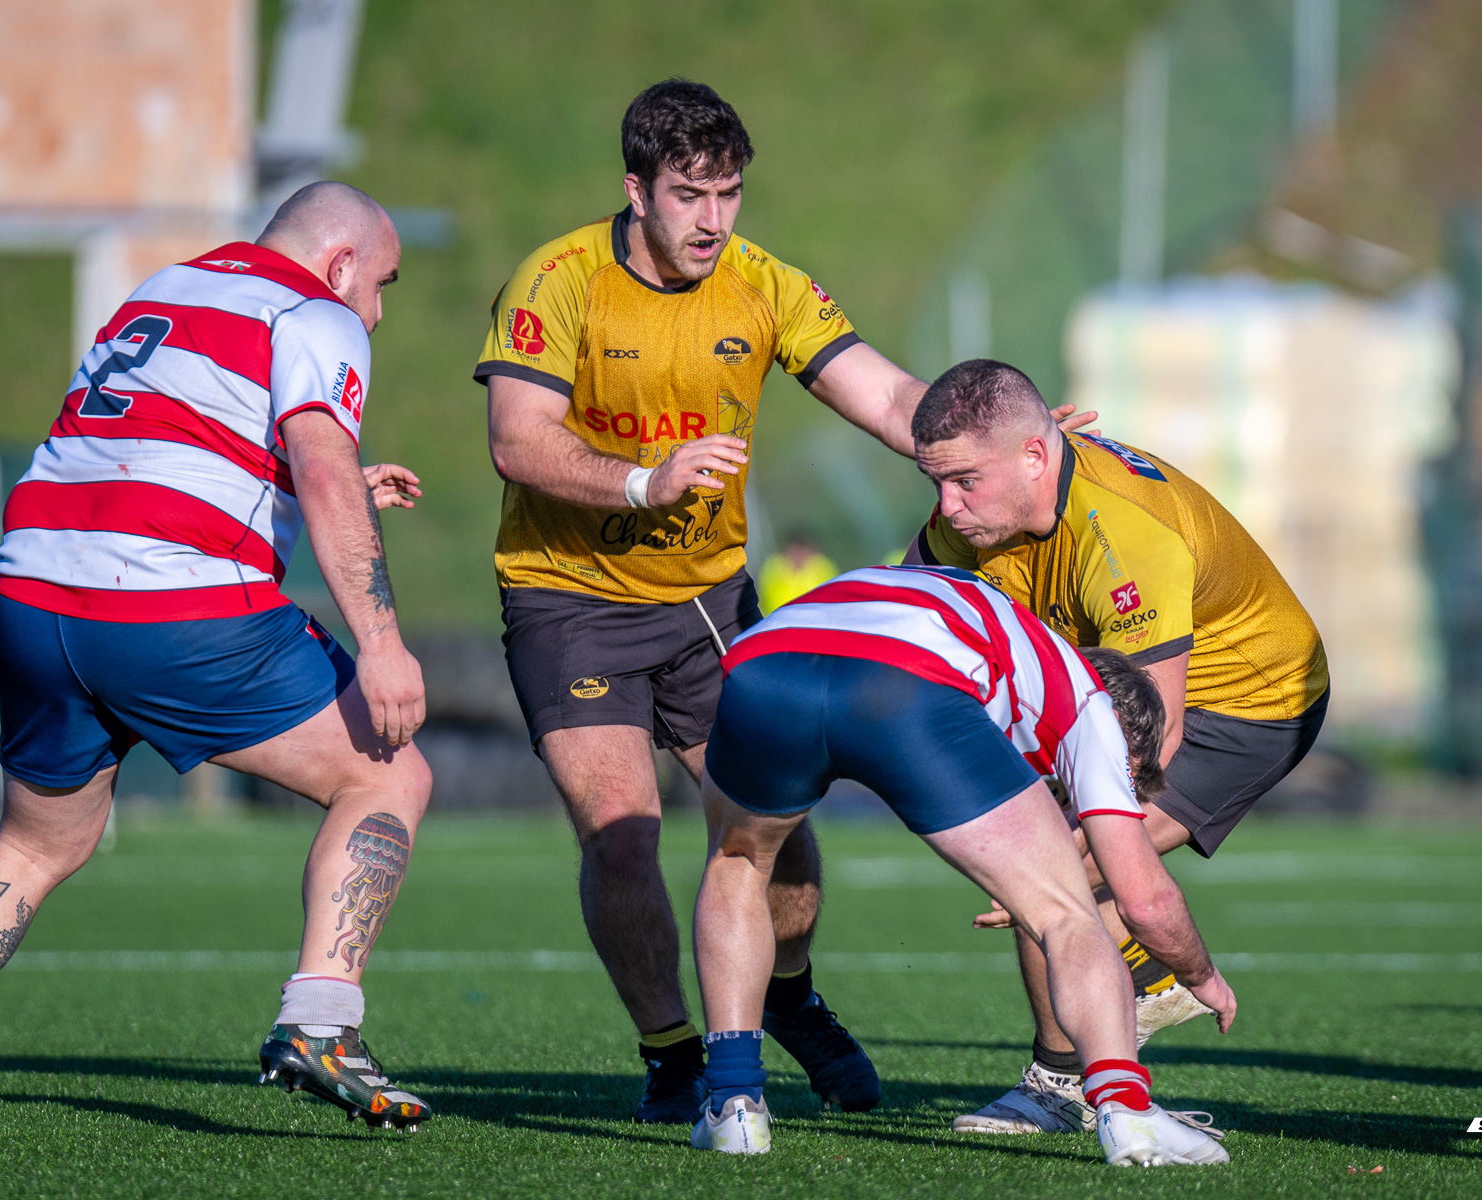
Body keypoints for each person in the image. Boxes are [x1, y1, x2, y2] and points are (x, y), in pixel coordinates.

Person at [0, 183, 437, 1132]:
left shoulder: (171, 286)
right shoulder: (316, 311)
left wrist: (315, 483)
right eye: (383, 282)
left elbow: (154, 443)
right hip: (176, 606)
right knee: (390, 772)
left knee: (38, 842)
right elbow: (320, 468)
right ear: (340, 264)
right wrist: (383, 644)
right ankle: (322, 1023)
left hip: (33, 594)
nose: (379, 307)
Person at [474, 79, 938, 1122]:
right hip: (568, 599)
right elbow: (517, 439)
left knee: (778, 820)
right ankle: (672, 1050)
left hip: (707, 602)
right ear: (635, 188)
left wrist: (998, 439)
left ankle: (789, 997)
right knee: (622, 832)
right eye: (690, 194)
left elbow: (892, 397)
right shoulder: (560, 278)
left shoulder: (763, 282)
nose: (713, 220)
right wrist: (646, 480)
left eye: (729, 193)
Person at [902, 359, 1328, 1135]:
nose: (947, 507)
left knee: (1052, 870)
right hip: (1126, 692)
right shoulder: (990, 506)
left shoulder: (1123, 537)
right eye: (935, 483)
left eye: (965, 482)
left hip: (1245, 704)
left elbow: (1151, 735)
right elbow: (909, 615)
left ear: (1036, 454)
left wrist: (1061, 855)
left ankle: (1066, 1075)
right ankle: (1133, 987)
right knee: (1047, 865)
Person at [689, 564, 1235, 1165]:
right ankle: (1127, 1112)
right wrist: (1202, 976)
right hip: (906, 678)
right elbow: (1145, 901)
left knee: (738, 860)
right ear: (1125, 735)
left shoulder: (1009, 644)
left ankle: (734, 1106)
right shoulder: (1090, 704)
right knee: (1066, 914)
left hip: (765, 661)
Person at [757, 532, 839, 614]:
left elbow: (833, 599)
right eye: (794, 553)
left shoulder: (823, 568)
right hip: (776, 621)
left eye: (803, 553)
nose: (798, 557)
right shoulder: (773, 567)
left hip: (812, 621)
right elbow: (763, 598)